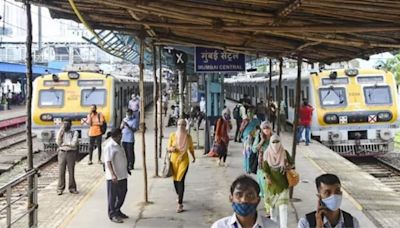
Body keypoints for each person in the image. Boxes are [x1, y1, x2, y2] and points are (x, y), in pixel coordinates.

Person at [211, 175, 279, 228]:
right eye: (239, 195)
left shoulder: (272, 226)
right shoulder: (219, 226)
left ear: (258, 200)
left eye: (250, 195)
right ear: (231, 199)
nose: (244, 200)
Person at [262, 134, 294, 228]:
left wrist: (288, 167)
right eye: (273, 142)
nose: (275, 144)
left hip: (283, 185)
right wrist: (267, 177)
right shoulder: (266, 154)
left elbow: (292, 164)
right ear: (270, 143)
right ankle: (273, 225)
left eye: (277, 142)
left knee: (283, 208)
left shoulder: (284, 153)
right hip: (271, 186)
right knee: (273, 210)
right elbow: (264, 169)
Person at [167, 119, 196, 213]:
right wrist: (172, 149)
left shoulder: (188, 137)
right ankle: (179, 194)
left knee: (181, 180)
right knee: (175, 180)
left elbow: (191, 148)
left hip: (184, 160)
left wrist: (193, 157)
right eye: (179, 124)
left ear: (185, 126)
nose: (181, 126)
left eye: (183, 124)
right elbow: (168, 147)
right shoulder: (172, 135)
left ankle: (180, 203)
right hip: (174, 160)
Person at [104, 128, 131, 223]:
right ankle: (112, 214)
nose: (121, 137)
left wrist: (126, 168)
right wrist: (113, 174)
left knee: (123, 193)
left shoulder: (120, 143)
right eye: (120, 136)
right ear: (116, 136)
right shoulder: (109, 146)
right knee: (113, 196)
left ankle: (117, 209)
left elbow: (122, 157)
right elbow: (108, 162)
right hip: (114, 177)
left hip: (123, 174)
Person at [55, 118, 79, 195]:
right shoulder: (61, 132)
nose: (65, 125)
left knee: (71, 171)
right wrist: (61, 132)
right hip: (62, 153)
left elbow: (73, 143)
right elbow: (58, 142)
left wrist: (65, 144)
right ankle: (60, 188)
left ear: (70, 124)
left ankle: (72, 188)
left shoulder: (74, 132)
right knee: (61, 171)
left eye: (67, 124)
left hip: (71, 153)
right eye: (64, 124)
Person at [252, 121, 273, 200]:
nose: (266, 130)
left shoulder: (273, 137)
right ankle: (267, 204)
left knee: (269, 186)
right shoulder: (259, 137)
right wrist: (262, 141)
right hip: (262, 165)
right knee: (263, 186)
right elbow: (254, 150)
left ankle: (268, 205)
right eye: (264, 128)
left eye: (268, 128)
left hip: (272, 164)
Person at [240, 107, 261, 173]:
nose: (250, 113)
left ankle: (250, 167)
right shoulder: (245, 121)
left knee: (252, 153)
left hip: (254, 139)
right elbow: (241, 129)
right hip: (246, 140)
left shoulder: (256, 120)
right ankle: (247, 168)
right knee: (246, 154)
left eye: (251, 112)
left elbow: (259, 129)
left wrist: (254, 133)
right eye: (249, 112)